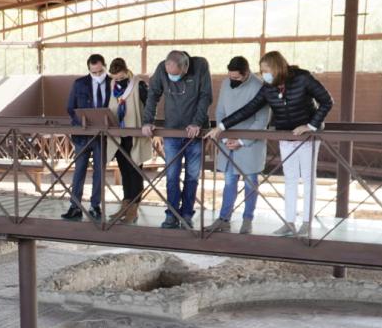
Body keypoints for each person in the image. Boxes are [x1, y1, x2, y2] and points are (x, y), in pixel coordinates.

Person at [216, 50, 333, 237]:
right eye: (261, 71)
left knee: (308, 178)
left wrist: (310, 126)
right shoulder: (269, 88)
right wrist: (221, 126)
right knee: (290, 179)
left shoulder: (303, 78)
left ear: (276, 67)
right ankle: (289, 222)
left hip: (307, 136)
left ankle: (307, 222)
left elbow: (327, 101)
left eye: (265, 70)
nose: (263, 75)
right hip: (285, 135)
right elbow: (249, 109)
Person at [141, 50, 213, 229]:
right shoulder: (162, 68)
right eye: (169, 75)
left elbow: (206, 96)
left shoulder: (201, 65)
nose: (172, 78)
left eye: (176, 75)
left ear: (185, 67)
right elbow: (153, 95)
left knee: (192, 175)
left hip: (195, 132)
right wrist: (147, 121)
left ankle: (187, 214)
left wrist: (197, 123)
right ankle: (172, 214)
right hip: (172, 131)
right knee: (172, 175)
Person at [208, 56, 269, 234]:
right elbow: (220, 111)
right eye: (230, 76)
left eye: (236, 78)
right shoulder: (226, 83)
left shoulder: (259, 86)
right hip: (227, 140)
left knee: (251, 183)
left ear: (246, 73)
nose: (232, 80)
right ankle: (224, 218)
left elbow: (262, 120)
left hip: (249, 145)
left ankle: (247, 220)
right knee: (228, 182)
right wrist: (225, 138)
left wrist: (242, 141)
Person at [63, 53, 113, 221]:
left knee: (100, 171)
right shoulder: (79, 84)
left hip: (102, 136)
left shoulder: (112, 83)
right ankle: (75, 206)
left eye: (100, 72)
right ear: (89, 70)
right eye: (94, 73)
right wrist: (84, 122)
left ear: (104, 67)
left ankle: (95, 206)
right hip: (82, 135)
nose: (98, 75)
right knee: (79, 170)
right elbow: (70, 108)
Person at [105, 57, 151, 224]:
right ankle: (125, 203)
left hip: (134, 134)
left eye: (120, 77)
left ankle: (134, 208)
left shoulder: (138, 84)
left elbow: (149, 104)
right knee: (124, 170)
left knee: (135, 171)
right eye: (115, 78)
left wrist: (147, 123)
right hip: (119, 135)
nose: (117, 80)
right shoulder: (113, 86)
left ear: (126, 71)